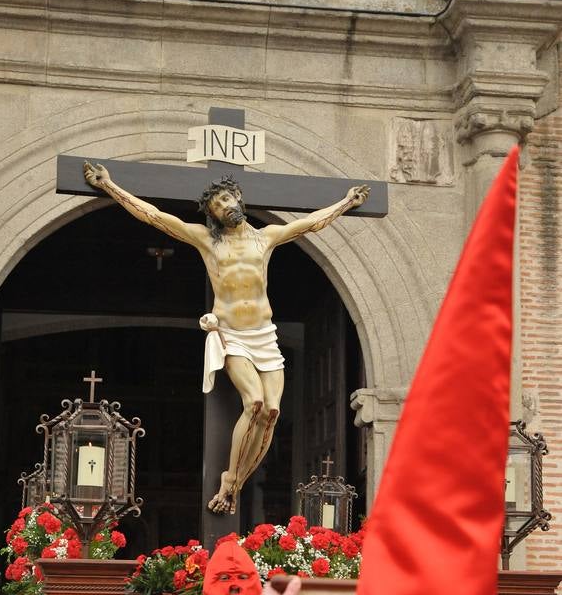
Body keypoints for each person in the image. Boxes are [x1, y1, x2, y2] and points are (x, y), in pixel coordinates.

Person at [198, 149, 562, 595]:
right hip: (236, 334)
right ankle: (230, 481)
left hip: (262, 342)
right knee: (256, 412)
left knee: (265, 411)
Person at [83, 162, 369, 514]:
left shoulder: (266, 238)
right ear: (213, 216)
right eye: (216, 205)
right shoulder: (206, 240)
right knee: (255, 404)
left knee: (273, 412)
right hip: (233, 334)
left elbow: (310, 223)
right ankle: (229, 478)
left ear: (238, 197)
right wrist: (111, 186)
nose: (222, 206)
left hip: (264, 334)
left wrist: (346, 203)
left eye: (225, 198)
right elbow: (154, 216)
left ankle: (238, 480)